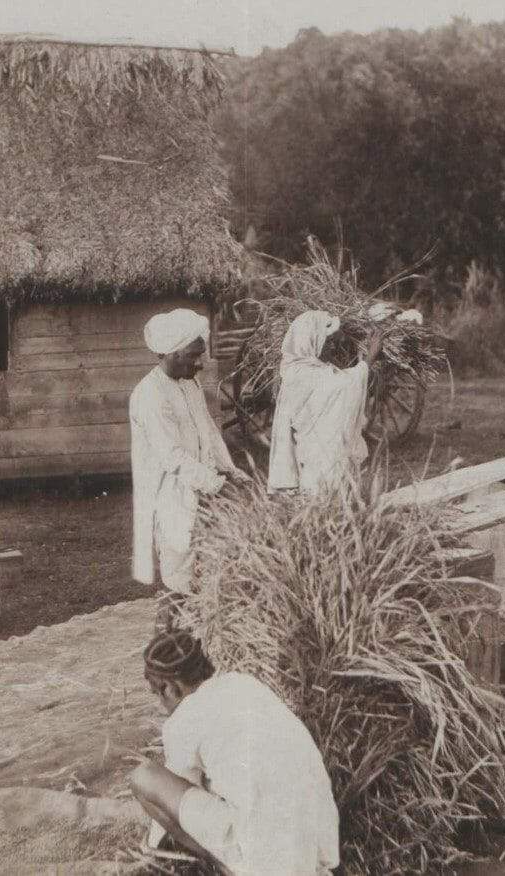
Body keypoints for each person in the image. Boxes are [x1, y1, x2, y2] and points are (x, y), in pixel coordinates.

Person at [129, 630, 340, 875]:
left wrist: (152, 846)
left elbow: (174, 802)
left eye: (157, 693)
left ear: (169, 687)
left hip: (267, 862)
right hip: (321, 843)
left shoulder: (181, 722)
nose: (161, 703)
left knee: (143, 777)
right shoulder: (244, 682)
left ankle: (225, 866)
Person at [129, 309, 246, 632]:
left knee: (204, 566)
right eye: (195, 355)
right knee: (178, 571)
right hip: (171, 494)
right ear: (171, 352)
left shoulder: (189, 384)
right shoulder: (150, 395)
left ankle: (201, 635)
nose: (200, 363)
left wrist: (230, 471)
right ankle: (167, 644)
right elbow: (172, 456)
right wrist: (216, 484)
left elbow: (208, 431)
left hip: (200, 489)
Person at [268, 310, 384, 494]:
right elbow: (345, 385)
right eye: (327, 342)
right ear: (312, 341)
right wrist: (370, 357)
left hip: (309, 452)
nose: (332, 348)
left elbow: (337, 380)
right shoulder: (306, 374)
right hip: (315, 455)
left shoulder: (297, 367)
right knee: (321, 488)